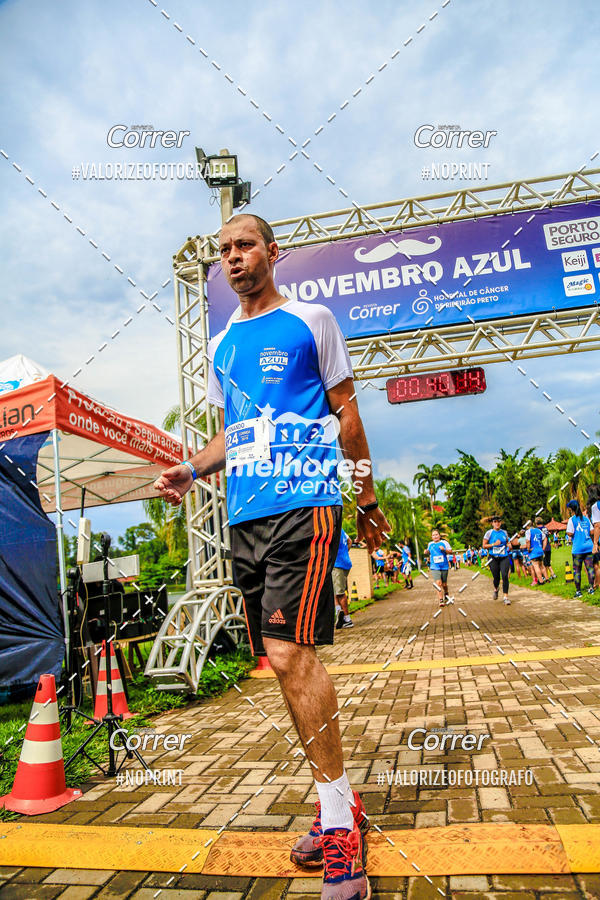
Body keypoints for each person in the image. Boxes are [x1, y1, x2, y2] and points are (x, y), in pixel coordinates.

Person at [154, 214, 389, 899]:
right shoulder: (222, 345)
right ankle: (338, 803)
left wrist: (366, 498)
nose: (233, 257)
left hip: (304, 503)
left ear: (272, 252)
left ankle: (341, 832)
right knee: (281, 666)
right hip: (245, 517)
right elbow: (232, 433)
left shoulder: (311, 320)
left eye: (245, 245)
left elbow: (347, 414)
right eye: (224, 249)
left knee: (290, 655)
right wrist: (191, 469)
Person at [566, 499, 595, 598]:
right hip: (589, 547)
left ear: (571, 509)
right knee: (590, 568)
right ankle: (591, 589)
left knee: (577, 570)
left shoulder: (572, 519)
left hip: (578, 549)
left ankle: (578, 592)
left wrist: (569, 533)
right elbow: (592, 532)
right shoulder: (586, 519)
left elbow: (570, 533)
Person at [482, 515, 512, 605]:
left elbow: (508, 542)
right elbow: (484, 545)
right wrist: (494, 544)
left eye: (498, 522)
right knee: (496, 577)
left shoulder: (504, 532)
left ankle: (506, 597)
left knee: (505, 575)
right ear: (492, 523)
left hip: (504, 557)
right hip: (493, 558)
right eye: (495, 522)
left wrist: (509, 545)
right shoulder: (489, 533)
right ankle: (496, 588)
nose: (497, 523)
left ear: (500, 523)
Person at [333, 527, 354, 630]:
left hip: (337, 564)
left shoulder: (330, 529)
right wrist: (345, 552)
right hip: (345, 562)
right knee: (335, 590)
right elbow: (350, 541)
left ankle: (347, 619)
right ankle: (338, 613)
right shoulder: (341, 529)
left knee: (340, 593)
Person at [426, 528, 452, 606]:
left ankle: (446, 593)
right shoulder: (430, 544)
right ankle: (441, 600)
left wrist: (444, 550)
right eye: (433, 535)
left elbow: (451, 551)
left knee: (444, 584)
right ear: (431, 537)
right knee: (438, 583)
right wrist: (426, 552)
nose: (435, 536)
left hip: (444, 566)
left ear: (439, 535)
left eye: (436, 534)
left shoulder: (444, 543)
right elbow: (429, 552)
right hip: (434, 566)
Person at [525, 518, 547, 586]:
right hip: (540, 550)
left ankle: (541, 581)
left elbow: (528, 541)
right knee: (542, 566)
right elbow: (545, 538)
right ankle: (547, 579)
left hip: (533, 551)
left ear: (527, 526)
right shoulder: (538, 530)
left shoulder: (528, 531)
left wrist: (528, 549)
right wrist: (543, 548)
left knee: (536, 566)